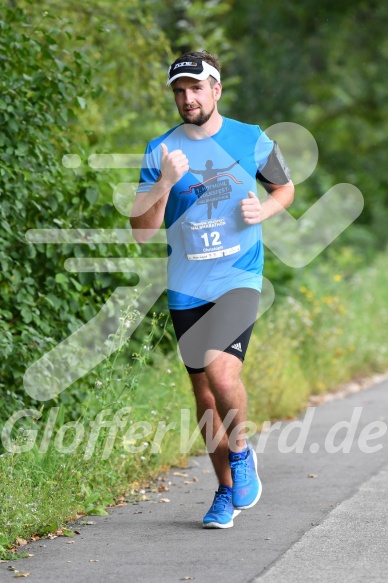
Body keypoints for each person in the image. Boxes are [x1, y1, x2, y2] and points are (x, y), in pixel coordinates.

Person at [130, 51, 294, 528]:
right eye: (179, 91)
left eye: (197, 88)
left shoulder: (251, 139)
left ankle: (241, 454)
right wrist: (164, 182)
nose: (187, 98)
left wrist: (263, 212)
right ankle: (226, 490)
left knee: (222, 377)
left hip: (238, 277)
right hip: (185, 287)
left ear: (216, 89)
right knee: (205, 400)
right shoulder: (160, 149)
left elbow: (283, 188)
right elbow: (142, 231)